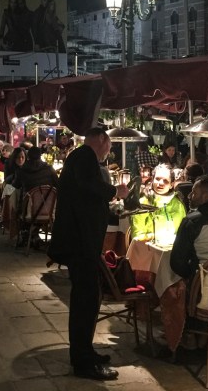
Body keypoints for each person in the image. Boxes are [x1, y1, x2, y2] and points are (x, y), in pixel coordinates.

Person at [47, 127, 128, 381]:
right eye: (110, 145)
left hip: (82, 243)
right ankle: (82, 362)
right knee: (85, 300)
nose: (109, 151)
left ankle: (85, 352)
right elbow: (89, 186)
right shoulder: (84, 156)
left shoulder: (81, 158)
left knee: (89, 300)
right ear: (102, 139)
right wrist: (116, 192)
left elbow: (86, 195)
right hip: (79, 244)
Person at [130, 164, 187, 244]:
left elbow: (183, 232)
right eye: (157, 179)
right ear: (152, 180)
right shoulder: (143, 203)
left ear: (172, 184)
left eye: (165, 180)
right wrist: (155, 237)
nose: (160, 183)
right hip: (148, 250)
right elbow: (137, 236)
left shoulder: (178, 204)